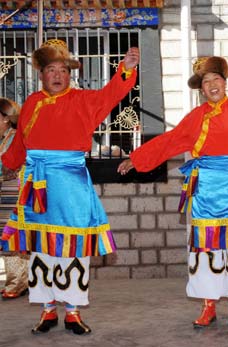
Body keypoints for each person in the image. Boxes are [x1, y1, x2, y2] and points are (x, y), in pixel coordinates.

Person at [118, 53, 228, 328]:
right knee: (207, 251)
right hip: (206, 191)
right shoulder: (196, 117)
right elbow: (169, 141)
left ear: (224, 81)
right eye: (205, 82)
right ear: (201, 89)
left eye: (215, 78)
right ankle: (208, 306)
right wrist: (136, 159)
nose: (211, 85)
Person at [0, 39, 139, 335]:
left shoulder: (84, 100)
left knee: (73, 247)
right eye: (51, 69)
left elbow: (112, 94)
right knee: (42, 249)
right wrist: (7, 162)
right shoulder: (32, 105)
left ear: (69, 74)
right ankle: (48, 309)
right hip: (37, 186)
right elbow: (20, 146)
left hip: (71, 184)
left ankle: (73, 311)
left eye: (63, 70)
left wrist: (125, 71)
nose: (58, 75)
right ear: (41, 74)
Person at [0, 97, 29, 300]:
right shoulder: (4, 137)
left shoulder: (13, 138)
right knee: (7, 237)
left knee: (12, 237)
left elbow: (9, 166)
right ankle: (16, 281)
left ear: (5, 119)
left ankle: (18, 283)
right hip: (6, 192)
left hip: (15, 192)